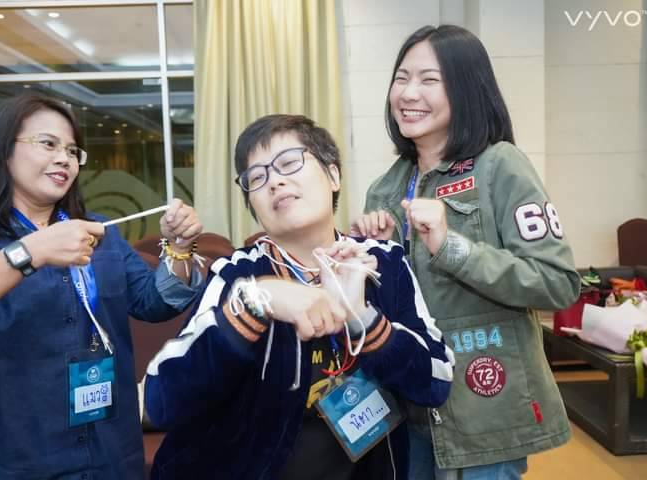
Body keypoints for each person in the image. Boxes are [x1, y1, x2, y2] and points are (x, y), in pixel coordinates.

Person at [144, 114, 454, 479]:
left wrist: (362, 317)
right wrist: (254, 302)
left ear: (333, 175)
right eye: (256, 178)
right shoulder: (237, 275)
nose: (275, 181)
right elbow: (162, 400)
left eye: (289, 162)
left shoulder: (382, 262)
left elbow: (436, 382)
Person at [351, 25, 580, 479]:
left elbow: (557, 282)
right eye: (401, 78)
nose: (408, 93)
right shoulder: (385, 188)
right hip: (411, 407)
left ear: (466, 88)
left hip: (486, 412)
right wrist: (370, 256)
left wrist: (449, 245)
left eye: (429, 79)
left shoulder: (500, 166)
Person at [0, 93, 204, 479]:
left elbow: (156, 301)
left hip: (108, 451)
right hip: (8, 457)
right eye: (48, 144)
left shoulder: (96, 230)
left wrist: (178, 248)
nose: (65, 158)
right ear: (3, 150)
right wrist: (31, 252)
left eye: (73, 150)